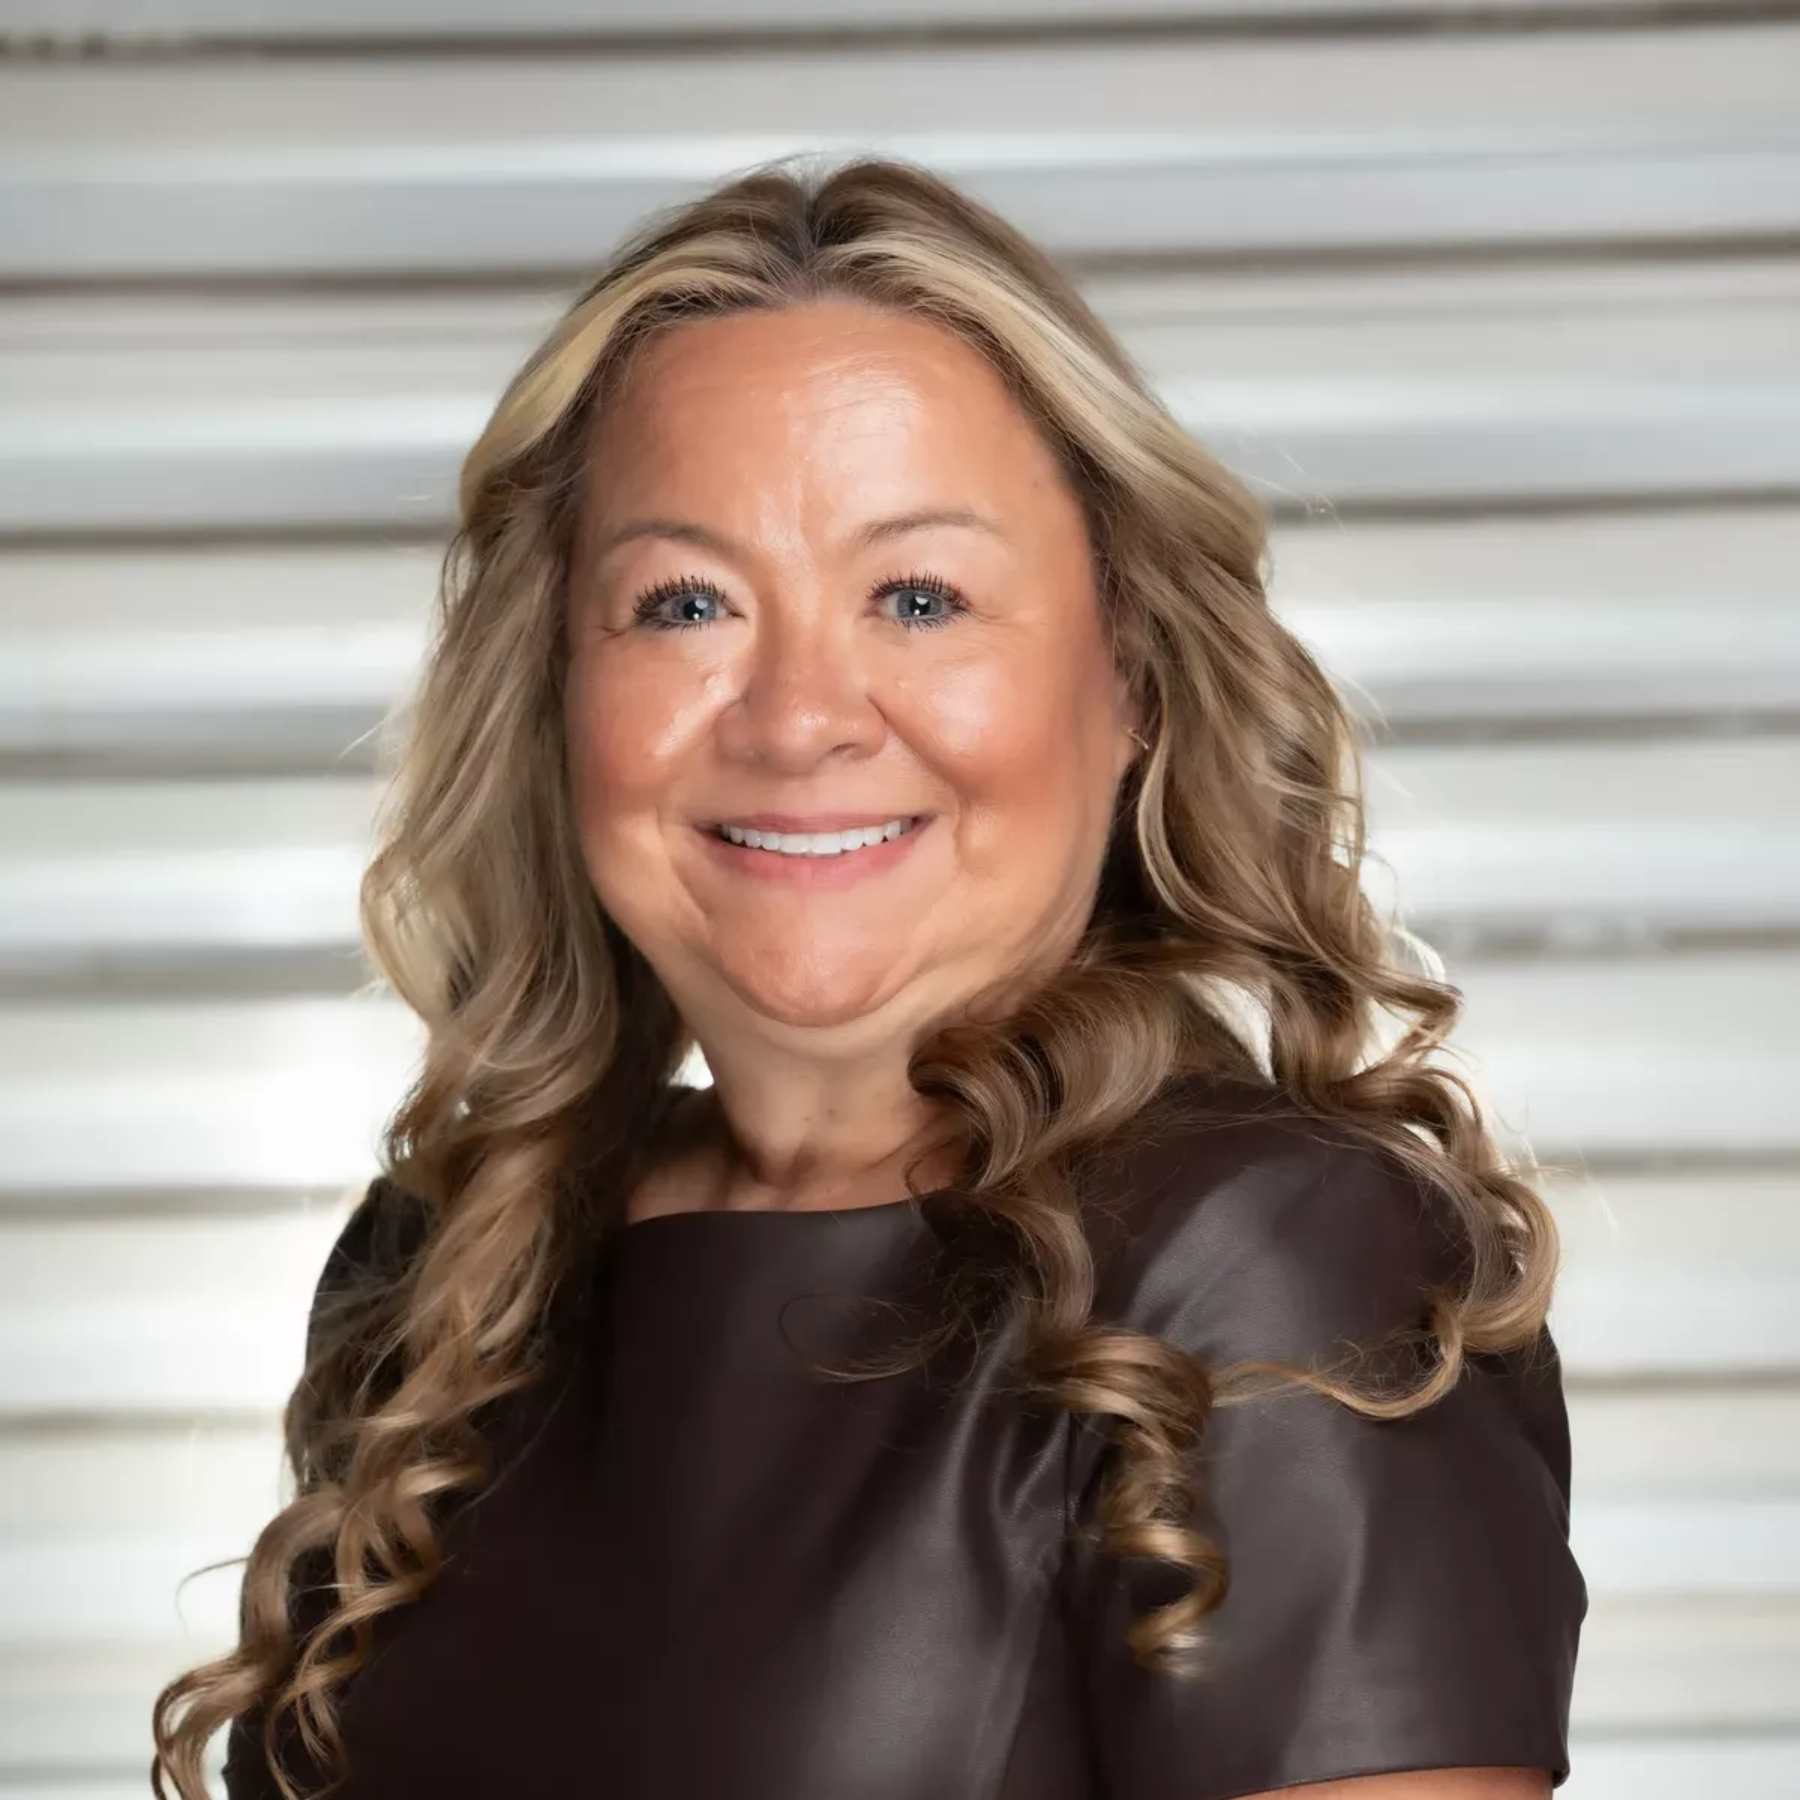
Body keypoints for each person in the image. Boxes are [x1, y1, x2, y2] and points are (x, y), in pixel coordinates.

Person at [153, 153, 1585, 1800]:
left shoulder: (1273, 1266)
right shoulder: (446, 1277)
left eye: (919, 597)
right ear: (553, 695)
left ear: (1128, 685)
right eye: (683, 603)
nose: (796, 716)